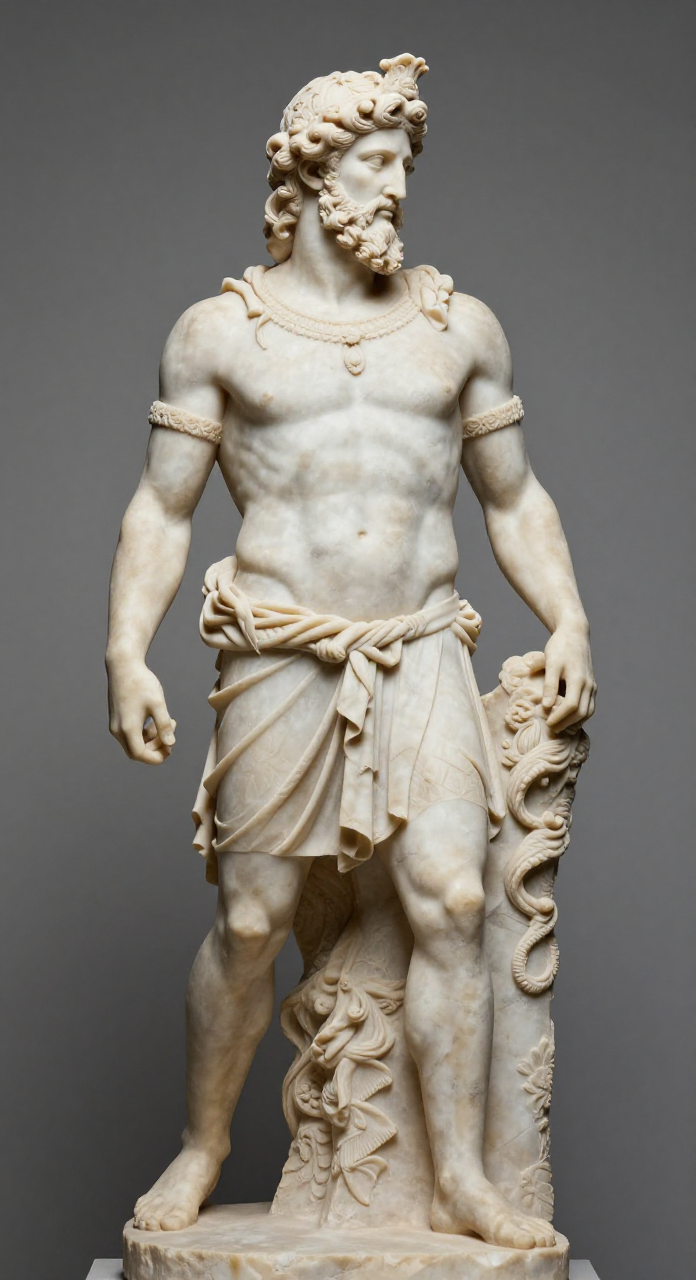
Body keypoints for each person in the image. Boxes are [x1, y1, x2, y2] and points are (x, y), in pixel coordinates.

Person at [106, 54, 595, 1249]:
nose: (396, 188)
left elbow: (513, 495)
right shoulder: (221, 333)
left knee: (455, 900)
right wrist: (126, 651)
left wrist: (570, 616)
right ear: (314, 174)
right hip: (283, 654)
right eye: (375, 163)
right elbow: (162, 507)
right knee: (253, 919)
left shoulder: (458, 327)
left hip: (421, 647)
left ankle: (461, 1177)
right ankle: (203, 1143)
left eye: (403, 164)